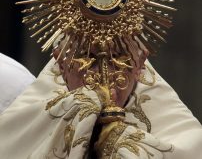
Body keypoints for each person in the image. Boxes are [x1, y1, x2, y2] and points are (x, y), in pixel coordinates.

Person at [0, 36, 201, 159]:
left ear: (140, 63)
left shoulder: (185, 141)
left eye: (119, 58)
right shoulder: (19, 131)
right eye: (88, 58)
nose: (105, 77)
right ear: (61, 62)